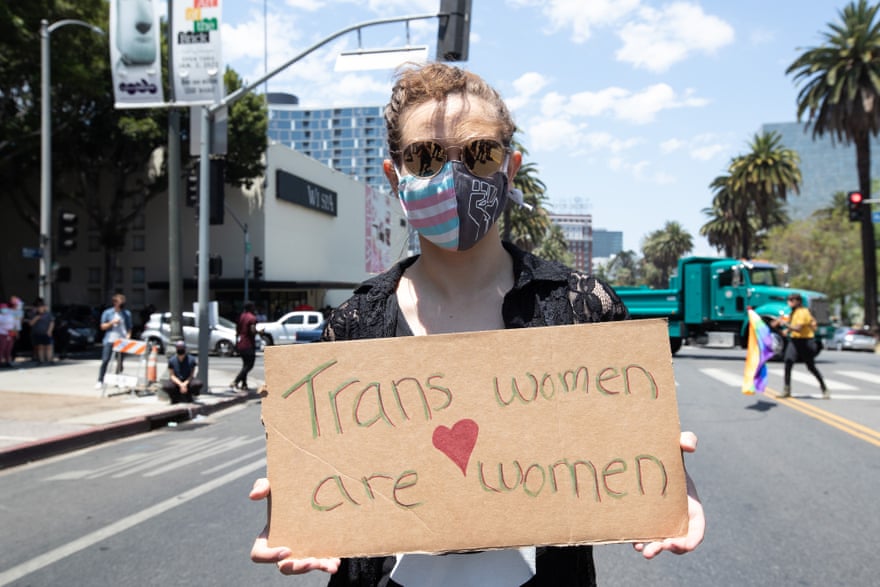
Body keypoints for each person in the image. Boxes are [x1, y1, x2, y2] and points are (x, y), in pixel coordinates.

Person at [249, 63, 705, 585]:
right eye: (425, 156)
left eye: (479, 153)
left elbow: (634, 452)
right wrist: (296, 506)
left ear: (509, 167)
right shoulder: (354, 325)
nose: (454, 174)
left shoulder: (581, 308)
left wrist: (672, 487)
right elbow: (323, 472)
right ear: (395, 176)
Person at [773, 292, 828, 399]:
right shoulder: (791, 312)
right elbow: (780, 322)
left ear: (798, 302)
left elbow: (798, 328)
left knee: (811, 367)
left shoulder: (804, 312)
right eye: (788, 300)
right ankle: (786, 389)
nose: (789, 302)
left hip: (806, 342)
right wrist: (777, 323)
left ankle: (824, 388)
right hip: (794, 341)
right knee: (788, 362)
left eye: (791, 300)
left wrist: (786, 326)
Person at [96, 293, 133, 389]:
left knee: (120, 362)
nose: (121, 305)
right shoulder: (108, 313)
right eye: (120, 303)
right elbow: (102, 326)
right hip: (110, 339)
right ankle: (100, 380)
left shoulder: (126, 313)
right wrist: (112, 322)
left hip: (122, 340)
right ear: (115, 303)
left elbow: (129, 327)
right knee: (105, 360)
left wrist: (128, 337)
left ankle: (118, 379)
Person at [231, 301, 258, 391]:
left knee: (245, 365)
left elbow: (237, 330)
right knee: (249, 365)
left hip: (241, 343)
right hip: (248, 343)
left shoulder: (241, 317)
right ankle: (236, 381)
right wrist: (259, 332)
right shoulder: (252, 318)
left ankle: (244, 384)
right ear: (251, 308)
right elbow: (253, 331)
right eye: (253, 307)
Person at [29, 298, 54, 364]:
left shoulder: (48, 314)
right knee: (40, 347)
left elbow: (52, 323)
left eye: (42, 307)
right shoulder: (34, 315)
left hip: (46, 333)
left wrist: (49, 331)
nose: (41, 309)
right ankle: (41, 360)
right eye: (39, 307)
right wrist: (36, 318)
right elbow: (31, 324)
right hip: (37, 333)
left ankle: (49, 359)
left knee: (49, 346)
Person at [0, 303, 13, 367]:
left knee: (8, 348)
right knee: (2, 348)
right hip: (2, 334)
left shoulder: (9, 315)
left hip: (10, 334)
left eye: (5, 308)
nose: (4, 309)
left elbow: (12, 324)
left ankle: (8, 361)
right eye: (2, 308)